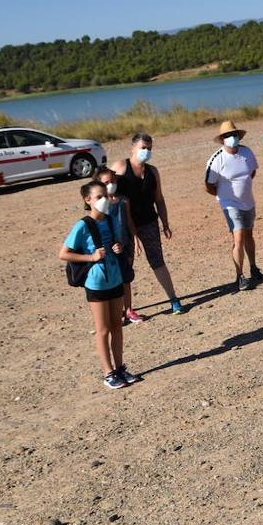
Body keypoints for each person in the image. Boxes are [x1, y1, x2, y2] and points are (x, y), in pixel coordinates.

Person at [59, 180, 138, 389]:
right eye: (99, 197)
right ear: (88, 200)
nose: (104, 200)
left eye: (105, 195)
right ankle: (108, 372)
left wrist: (118, 247)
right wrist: (91, 257)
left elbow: (117, 242)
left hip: (115, 278)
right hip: (96, 283)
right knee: (103, 329)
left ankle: (120, 368)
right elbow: (64, 253)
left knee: (117, 327)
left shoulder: (111, 220)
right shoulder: (82, 225)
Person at [111, 134, 186, 315]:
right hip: (124, 227)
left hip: (149, 222)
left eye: (149, 148)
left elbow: (159, 199)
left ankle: (173, 299)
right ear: (133, 148)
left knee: (157, 261)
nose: (146, 151)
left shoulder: (152, 172)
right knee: (125, 266)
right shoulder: (120, 167)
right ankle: (124, 309)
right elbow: (104, 190)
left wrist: (165, 222)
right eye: (143, 147)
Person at [204, 120, 263, 290]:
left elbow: (252, 172)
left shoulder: (246, 152)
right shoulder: (217, 159)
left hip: (248, 201)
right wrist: (223, 196)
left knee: (249, 235)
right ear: (222, 139)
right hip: (229, 204)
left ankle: (253, 267)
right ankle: (240, 276)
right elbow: (208, 184)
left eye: (234, 134)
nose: (232, 137)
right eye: (228, 135)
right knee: (238, 237)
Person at [93, 166, 139, 324]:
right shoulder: (100, 205)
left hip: (126, 244)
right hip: (109, 247)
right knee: (113, 279)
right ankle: (115, 312)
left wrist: (135, 239)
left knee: (126, 278)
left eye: (113, 181)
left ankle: (129, 310)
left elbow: (129, 221)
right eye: (106, 182)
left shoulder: (123, 200)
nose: (111, 184)